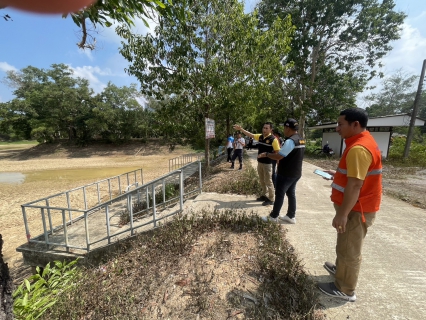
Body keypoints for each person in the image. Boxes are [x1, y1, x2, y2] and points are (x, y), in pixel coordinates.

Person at [317, 108, 382, 303]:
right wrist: (336, 174)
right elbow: (354, 177)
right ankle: (341, 270)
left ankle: (345, 289)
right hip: (357, 205)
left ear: (355, 124)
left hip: (356, 208)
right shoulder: (361, 143)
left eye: (340, 124)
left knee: (350, 249)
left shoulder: (358, 149)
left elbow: (355, 185)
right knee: (345, 243)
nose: (337, 128)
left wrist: (342, 214)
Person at [258, 119, 305, 224]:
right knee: (291, 193)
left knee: (279, 194)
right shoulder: (300, 139)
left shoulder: (290, 141)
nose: (284, 130)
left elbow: (279, 155)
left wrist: (266, 154)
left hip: (286, 173)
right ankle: (291, 216)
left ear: (287, 128)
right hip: (296, 173)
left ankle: (274, 216)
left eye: (284, 128)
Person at [233, 122, 280, 206]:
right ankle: (264, 195)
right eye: (264, 128)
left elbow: (278, 153)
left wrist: (278, 165)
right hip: (260, 163)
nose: (264, 129)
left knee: (268, 181)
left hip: (268, 164)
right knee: (262, 180)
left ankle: (271, 198)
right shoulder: (260, 137)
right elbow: (250, 134)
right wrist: (241, 129)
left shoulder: (274, 139)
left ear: (271, 130)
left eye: (266, 128)